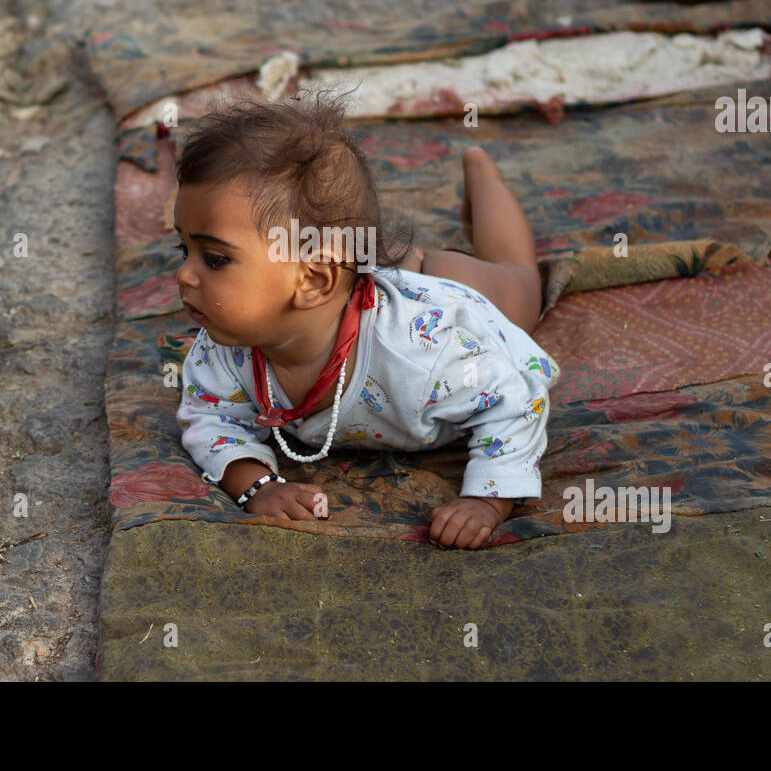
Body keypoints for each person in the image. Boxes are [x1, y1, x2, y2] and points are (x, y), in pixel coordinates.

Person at [173, 90, 560, 550]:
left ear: (313, 281)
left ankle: (482, 172)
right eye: (184, 250)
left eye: (214, 258)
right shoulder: (222, 348)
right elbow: (210, 420)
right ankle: (404, 261)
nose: (183, 274)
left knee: (519, 281)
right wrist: (258, 487)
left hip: (447, 294)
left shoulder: (431, 353)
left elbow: (513, 403)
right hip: (359, 287)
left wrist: (487, 500)